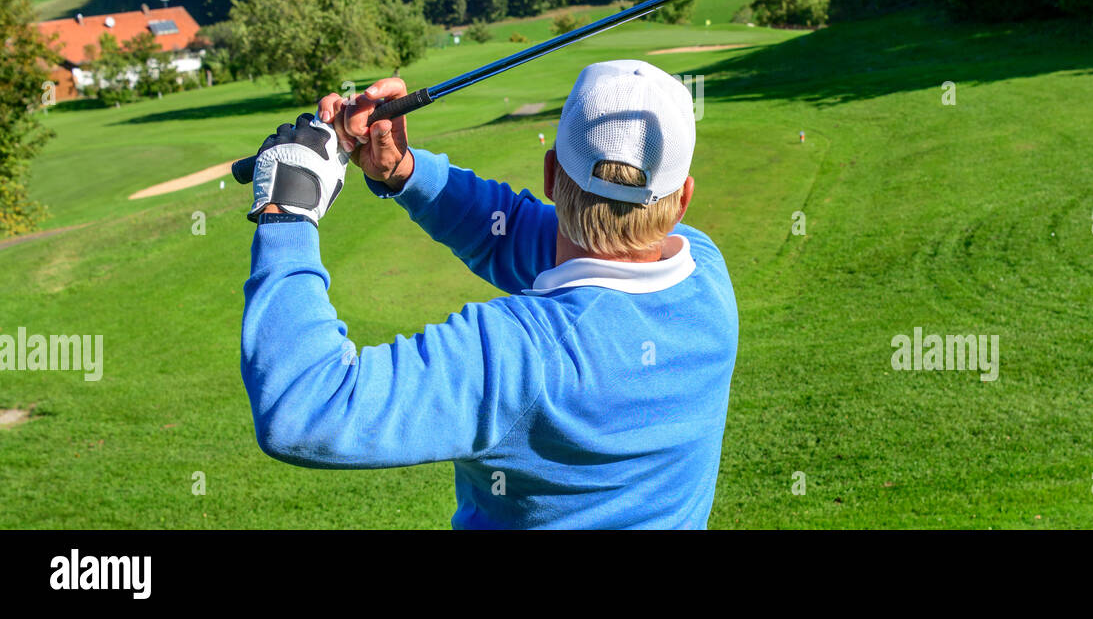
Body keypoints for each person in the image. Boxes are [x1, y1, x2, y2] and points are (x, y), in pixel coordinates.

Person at [241, 60, 739, 529]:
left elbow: (304, 406)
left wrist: (288, 206)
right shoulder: (707, 272)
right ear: (683, 199)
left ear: (549, 174)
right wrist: (404, 171)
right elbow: (522, 233)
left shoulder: (516, 356)